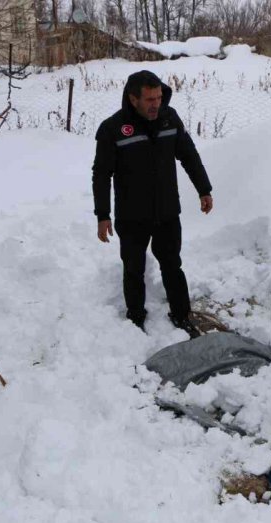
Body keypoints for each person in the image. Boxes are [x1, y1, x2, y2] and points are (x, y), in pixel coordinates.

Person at [92, 70, 213, 337]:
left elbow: (188, 155)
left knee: (173, 265)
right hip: (132, 215)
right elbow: (101, 174)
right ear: (133, 98)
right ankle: (135, 318)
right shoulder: (113, 129)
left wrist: (204, 189)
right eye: (149, 99)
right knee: (133, 269)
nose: (155, 104)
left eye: (158, 97)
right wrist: (103, 214)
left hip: (167, 211)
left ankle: (181, 315)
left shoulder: (169, 119)